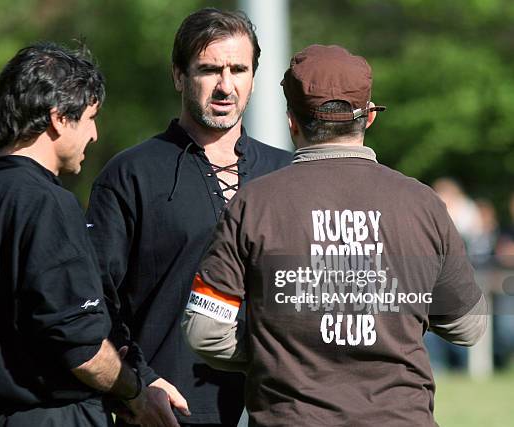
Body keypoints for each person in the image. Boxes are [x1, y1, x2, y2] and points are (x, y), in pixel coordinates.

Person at [182, 44, 487, 426]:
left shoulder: (254, 203)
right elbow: (470, 325)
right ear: (370, 118)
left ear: (291, 120)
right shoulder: (423, 204)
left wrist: (276, 350)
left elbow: (205, 331)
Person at [0, 42, 178, 427]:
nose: (95, 134)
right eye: (90, 117)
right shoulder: (47, 203)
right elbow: (81, 346)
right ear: (58, 118)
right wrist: (136, 392)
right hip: (55, 416)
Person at [86, 8, 291, 426]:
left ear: (254, 75)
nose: (225, 86)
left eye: (238, 69)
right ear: (179, 75)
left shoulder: (289, 173)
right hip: (170, 412)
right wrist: (140, 383)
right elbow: (97, 299)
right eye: (209, 70)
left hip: (281, 409)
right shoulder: (131, 175)